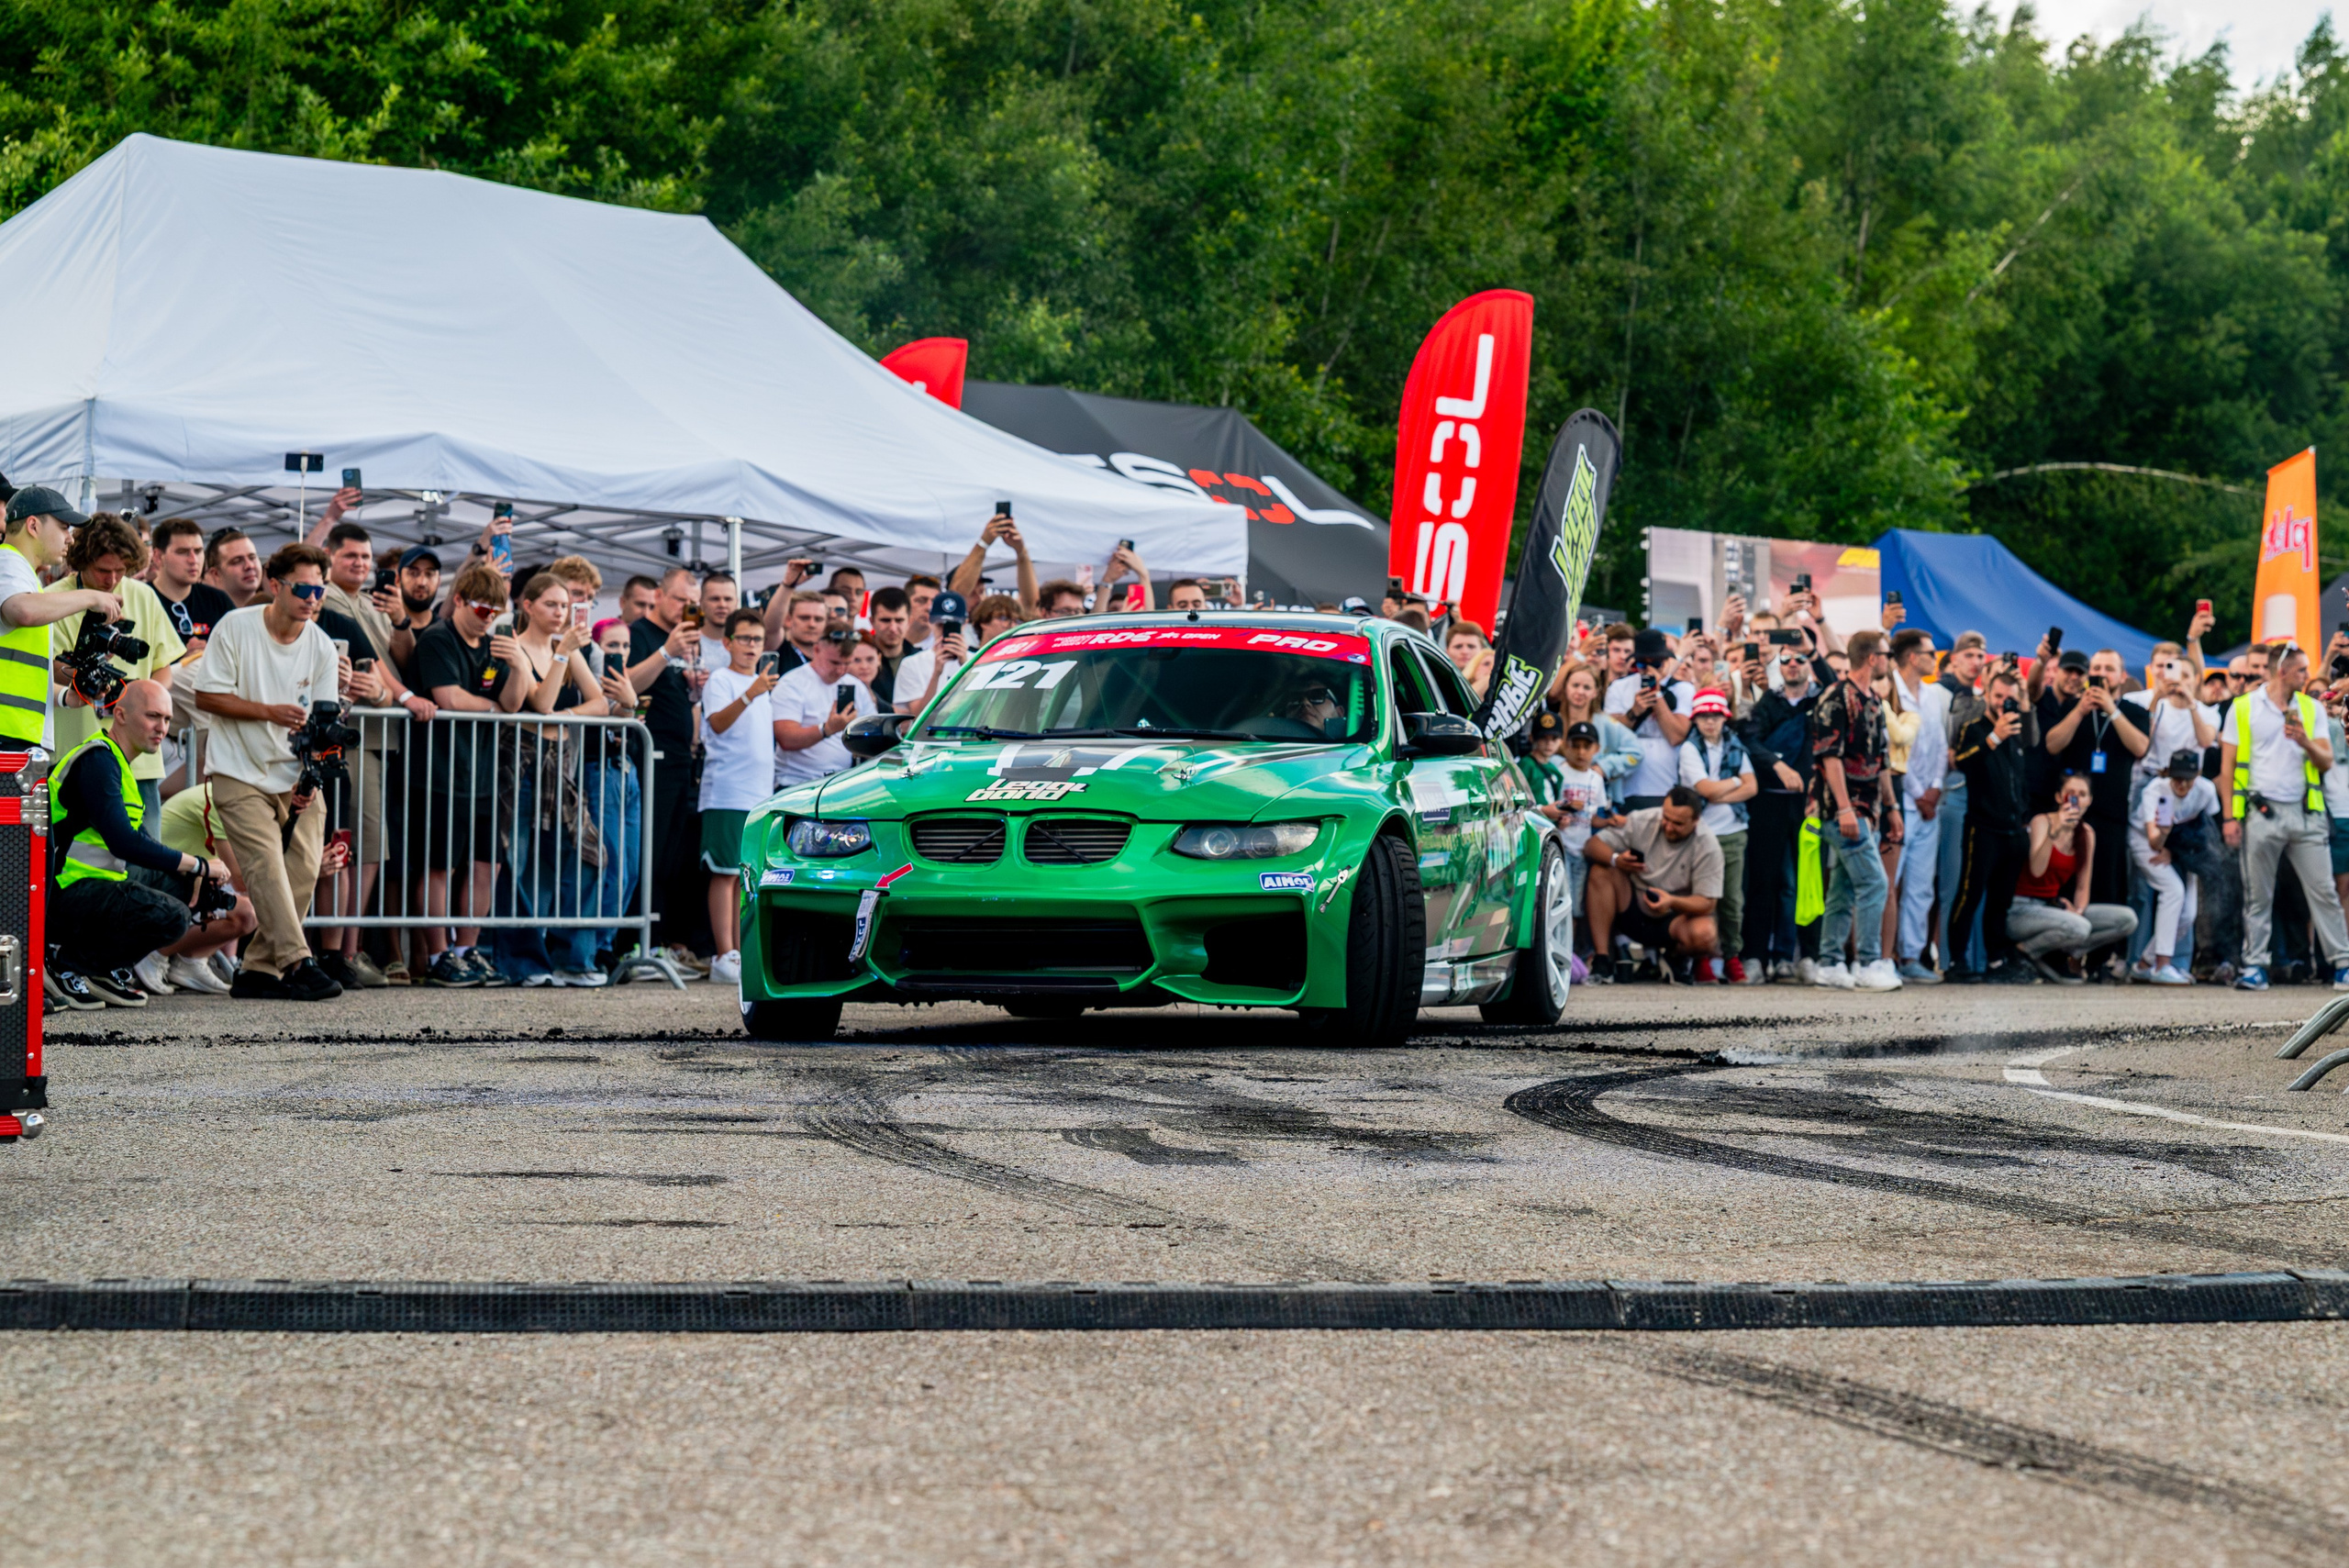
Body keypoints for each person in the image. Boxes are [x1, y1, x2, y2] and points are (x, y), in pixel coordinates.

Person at [189, 542, 352, 1001]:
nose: (313, 598)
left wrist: (310, 777)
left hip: (293, 772)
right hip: (237, 772)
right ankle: (299, 962)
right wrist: (268, 712)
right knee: (265, 866)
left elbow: (321, 721)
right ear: (275, 585)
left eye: (320, 589)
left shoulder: (320, 644)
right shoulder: (236, 628)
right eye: (303, 587)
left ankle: (258, 969)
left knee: (303, 869)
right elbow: (206, 697)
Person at [308, 521, 436, 990]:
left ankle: (348, 949)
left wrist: (401, 620)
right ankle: (339, 950)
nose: (361, 565)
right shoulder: (329, 602)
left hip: (380, 738)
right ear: (327, 558)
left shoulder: (371, 604)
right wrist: (399, 698)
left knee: (368, 846)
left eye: (367, 558)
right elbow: (382, 678)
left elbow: (398, 663)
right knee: (350, 843)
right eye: (350, 557)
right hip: (347, 736)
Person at [45, 680, 225, 1007]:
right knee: (173, 917)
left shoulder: (117, 762)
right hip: (61, 892)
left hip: (94, 886)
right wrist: (198, 864)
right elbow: (123, 843)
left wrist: (196, 872)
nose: (162, 728)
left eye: (168, 720)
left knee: (188, 887)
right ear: (121, 715)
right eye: (153, 716)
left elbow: (139, 841)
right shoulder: (98, 761)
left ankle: (101, 967)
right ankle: (66, 964)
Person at [411, 562, 529, 986]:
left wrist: (519, 666)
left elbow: (514, 703)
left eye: (496, 613)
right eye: (482, 610)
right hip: (439, 772)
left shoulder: (495, 643)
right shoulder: (438, 639)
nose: (489, 620)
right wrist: (495, 710)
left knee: (487, 864)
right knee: (439, 865)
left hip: (482, 774)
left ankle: (467, 948)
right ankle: (439, 953)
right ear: (458, 600)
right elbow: (450, 697)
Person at [2220, 640, 2349, 991]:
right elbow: (2227, 768)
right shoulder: (2243, 708)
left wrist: (2305, 741)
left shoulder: (2311, 708)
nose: (2308, 676)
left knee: (2324, 891)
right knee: (2257, 894)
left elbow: (2325, 761)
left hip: (2306, 814)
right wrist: (2230, 818)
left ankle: (2343, 965)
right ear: (2283, 671)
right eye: (2302, 670)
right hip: (2261, 812)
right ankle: (2255, 966)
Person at [45, 511, 185, 827]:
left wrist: (140, 700)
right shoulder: (51, 600)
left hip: (138, 761)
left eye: (121, 571)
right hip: (74, 755)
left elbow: (164, 669)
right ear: (80, 561)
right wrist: (85, 681)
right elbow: (47, 669)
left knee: (145, 862)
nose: (112, 580)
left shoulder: (144, 595)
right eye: (102, 570)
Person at [2038, 647, 2149, 973]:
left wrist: (2112, 710)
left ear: (2121, 676)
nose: (2102, 674)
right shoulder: (2073, 706)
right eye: (2097, 668)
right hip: (2072, 814)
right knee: (2068, 882)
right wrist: (2079, 712)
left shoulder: (2132, 710)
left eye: (2109, 669)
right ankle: (2062, 954)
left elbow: (2141, 747)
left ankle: (2101, 958)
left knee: (2108, 884)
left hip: (2112, 813)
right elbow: (2052, 744)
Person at [624, 565, 710, 973]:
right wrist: (665, 653)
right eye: (681, 601)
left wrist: (695, 690)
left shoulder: (683, 642)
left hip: (679, 759)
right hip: (648, 755)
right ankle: (632, 943)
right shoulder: (640, 634)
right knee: (649, 848)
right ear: (659, 595)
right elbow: (626, 684)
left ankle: (657, 941)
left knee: (671, 856)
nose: (687, 610)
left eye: (694, 604)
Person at [1809, 628, 1901, 991]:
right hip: (1843, 811)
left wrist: (1892, 807)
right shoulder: (1835, 697)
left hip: (1870, 810)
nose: (1889, 660)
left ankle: (1830, 963)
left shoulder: (1874, 702)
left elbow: (1881, 762)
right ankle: (1868, 962)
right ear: (1872, 658)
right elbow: (1829, 758)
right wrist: (1845, 810)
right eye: (1886, 653)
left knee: (1844, 889)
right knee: (1875, 882)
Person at [0, 486, 118, 755]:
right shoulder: (7, 562)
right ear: (33, 525)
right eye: (64, 527)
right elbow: (23, 611)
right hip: (7, 738)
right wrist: (90, 597)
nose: (70, 539)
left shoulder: (24, 578)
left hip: (15, 737)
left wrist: (65, 697)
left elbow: (21, 673)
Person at [699, 609, 779, 986]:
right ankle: (723, 953)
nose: (751, 647)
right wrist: (749, 693)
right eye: (744, 639)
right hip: (727, 790)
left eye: (757, 640)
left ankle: (738, 951)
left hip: (758, 792)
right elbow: (716, 723)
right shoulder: (721, 679)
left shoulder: (763, 687)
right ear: (727, 642)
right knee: (724, 872)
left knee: (743, 875)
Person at [1948, 667, 2039, 984]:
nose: (2003, 704)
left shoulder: (2018, 732)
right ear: (1986, 694)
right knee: (1969, 894)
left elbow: (2033, 744)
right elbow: (1964, 762)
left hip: (2013, 829)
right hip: (1982, 827)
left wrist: (2024, 701)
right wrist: (1995, 736)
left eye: (2008, 698)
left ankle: (1997, 960)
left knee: (2001, 901)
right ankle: (1955, 959)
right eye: (1998, 696)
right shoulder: (1975, 728)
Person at [1582, 784, 1720, 982]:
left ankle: (1674, 958)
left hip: (1674, 918)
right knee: (1601, 871)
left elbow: (1708, 902)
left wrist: (1671, 901)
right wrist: (1616, 859)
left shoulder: (1708, 845)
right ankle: (1602, 958)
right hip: (1632, 908)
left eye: (1678, 823)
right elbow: (1592, 845)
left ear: (1696, 821)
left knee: (1705, 935)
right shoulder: (1644, 819)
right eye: (1666, 818)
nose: (1669, 826)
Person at [1741, 641, 1820, 982]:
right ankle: (1756, 957)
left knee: (1806, 882)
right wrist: (1778, 765)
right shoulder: (1768, 702)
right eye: (1785, 659)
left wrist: (1812, 646)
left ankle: (1807, 957)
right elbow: (1749, 739)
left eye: (1799, 658)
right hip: (1769, 802)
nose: (1792, 664)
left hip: (1808, 804)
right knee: (1764, 881)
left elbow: (1834, 683)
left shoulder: (1820, 703)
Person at [2010, 773, 2140, 982]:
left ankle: (2066, 951)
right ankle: (2023, 951)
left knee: (2127, 919)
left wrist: (2078, 911)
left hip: (2052, 909)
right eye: (2070, 794)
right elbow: (2037, 870)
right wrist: (2056, 831)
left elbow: (2082, 887)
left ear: (2089, 800)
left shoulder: (2086, 833)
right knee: (2079, 927)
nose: (2076, 799)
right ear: (2059, 797)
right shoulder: (2042, 821)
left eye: (2082, 794)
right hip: (2022, 908)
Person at [150, 778, 262, 994]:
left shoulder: (233, 796)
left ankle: (191, 961)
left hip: (186, 878)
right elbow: (240, 880)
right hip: (163, 881)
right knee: (248, 911)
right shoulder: (221, 798)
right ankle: (155, 954)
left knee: (246, 909)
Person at [1676, 687, 1755, 982]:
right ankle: (1703, 957)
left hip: (1733, 830)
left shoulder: (1735, 744)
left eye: (1715, 716)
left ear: (1725, 718)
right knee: (1703, 899)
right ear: (1696, 719)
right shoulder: (1689, 748)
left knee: (1733, 900)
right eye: (1704, 716)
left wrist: (1719, 791)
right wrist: (1733, 781)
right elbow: (1705, 789)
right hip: (1700, 833)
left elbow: (1752, 787)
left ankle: (1732, 955)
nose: (1710, 722)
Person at [1888, 628, 1948, 983]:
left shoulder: (1932, 694)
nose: (1934, 658)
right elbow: (1894, 752)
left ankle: (1911, 955)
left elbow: (1941, 746)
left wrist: (1936, 787)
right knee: (1890, 881)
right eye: (1929, 653)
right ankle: (1880, 953)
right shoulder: (1890, 690)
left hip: (1929, 802)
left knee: (1921, 885)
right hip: (1902, 799)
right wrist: (1916, 792)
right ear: (1912, 656)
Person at [2133, 748, 2220, 985]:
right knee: (2173, 891)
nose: (2181, 785)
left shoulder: (2205, 790)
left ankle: (2143, 964)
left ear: (2198, 775)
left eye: (2187, 779)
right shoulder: (2156, 791)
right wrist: (2165, 834)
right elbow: (2153, 840)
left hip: (2183, 846)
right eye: (2177, 778)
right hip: (2148, 842)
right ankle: (2162, 965)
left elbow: (2208, 829)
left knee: (2188, 913)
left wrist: (2177, 849)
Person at [773, 617, 877, 785]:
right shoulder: (792, 683)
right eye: (834, 662)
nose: (840, 670)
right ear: (816, 650)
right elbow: (786, 739)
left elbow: (875, 736)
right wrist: (827, 729)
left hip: (840, 783)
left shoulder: (854, 685)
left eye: (847, 663)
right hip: (796, 783)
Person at [1604, 628, 1693, 809]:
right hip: (1629, 784)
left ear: (1666, 661)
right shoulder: (1619, 688)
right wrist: (1633, 712)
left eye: (1656, 664)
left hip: (1667, 782)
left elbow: (1676, 736)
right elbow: (1610, 735)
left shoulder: (1683, 689)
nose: (1649, 670)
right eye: (1643, 664)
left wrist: (1657, 695)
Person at [1553, 662, 1642, 807]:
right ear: (1565, 687)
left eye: (1587, 687)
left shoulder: (1607, 724)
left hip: (1597, 803)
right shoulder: (1555, 722)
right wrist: (1560, 765)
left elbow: (1637, 752)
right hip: (1558, 800)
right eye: (1575, 685)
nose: (1580, 692)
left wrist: (1603, 767)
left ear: (1596, 692)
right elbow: (1540, 753)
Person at [147, 517, 237, 652]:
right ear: (158, 557)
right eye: (182, 552)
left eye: (199, 551)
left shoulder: (218, 600)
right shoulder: (143, 600)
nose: (193, 560)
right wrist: (182, 663)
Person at [946, 511, 1041, 617]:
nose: (979, 599)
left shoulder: (994, 622)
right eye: (972, 593)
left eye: (982, 591)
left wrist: (1021, 552)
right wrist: (984, 542)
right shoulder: (952, 622)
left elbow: (1031, 604)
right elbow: (957, 595)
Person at [865, 586, 917, 706]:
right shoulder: (857, 659)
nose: (893, 628)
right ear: (871, 621)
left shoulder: (921, 659)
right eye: (885, 620)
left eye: (899, 620)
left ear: (909, 621)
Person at [204, 528, 265, 608]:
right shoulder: (206, 618)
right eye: (237, 561)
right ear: (216, 574)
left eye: (252, 557)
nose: (249, 565)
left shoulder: (277, 613)